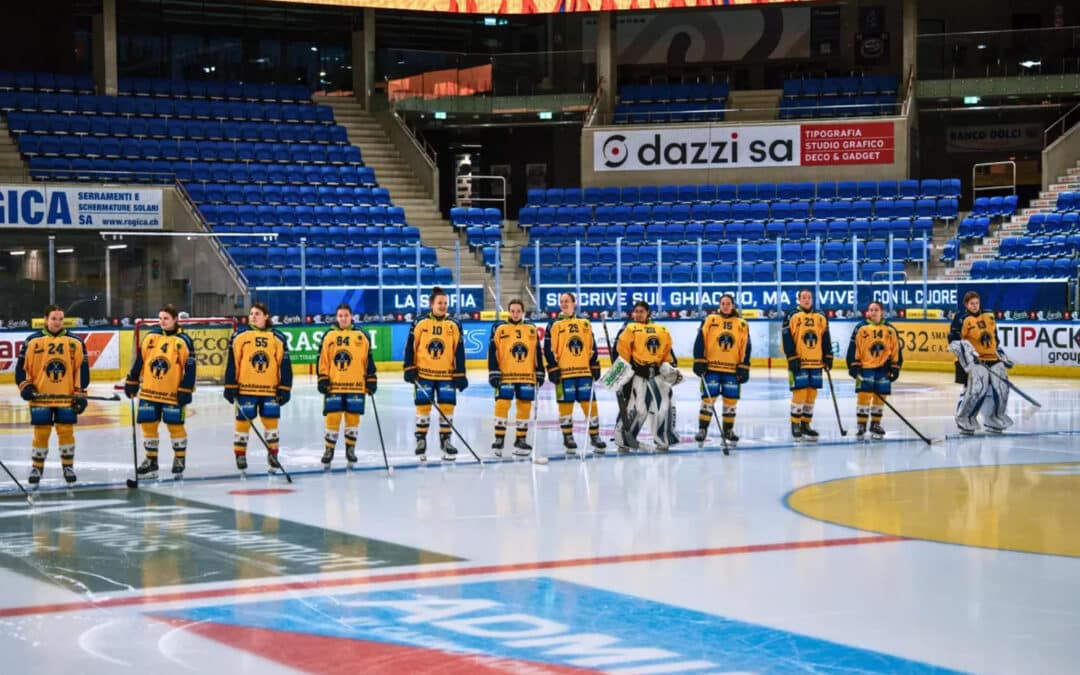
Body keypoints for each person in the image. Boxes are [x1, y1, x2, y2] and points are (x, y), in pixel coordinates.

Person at [15, 305, 89, 485]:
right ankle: (37, 467)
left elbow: (82, 370)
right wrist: (25, 386)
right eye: (54, 318)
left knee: (66, 431)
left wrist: (80, 393)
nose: (57, 322)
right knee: (41, 432)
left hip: (66, 397)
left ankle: (68, 467)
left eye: (60, 319)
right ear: (46, 319)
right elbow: (21, 369)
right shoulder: (32, 341)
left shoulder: (75, 342)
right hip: (40, 397)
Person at [124, 304, 196, 478]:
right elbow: (139, 361)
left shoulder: (183, 340)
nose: (162, 321)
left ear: (175, 319)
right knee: (148, 425)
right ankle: (151, 460)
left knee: (175, 426)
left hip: (173, 393)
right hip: (149, 391)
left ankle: (179, 459)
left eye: (166, 318)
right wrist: (132, 380)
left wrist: (186, 388)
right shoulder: (150, 337)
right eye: (160, 318)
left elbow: (190, 368)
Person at [224, 302, 292, 473]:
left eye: (257, 314)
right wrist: (230, 385)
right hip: (246, 389)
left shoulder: (278, 337)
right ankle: (240, 454)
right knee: (243, 424)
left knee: (271, 423)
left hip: (270, 390)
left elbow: (284, 365)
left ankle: (273, 455)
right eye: (252, 313)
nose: (253, 316)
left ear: (266, 316)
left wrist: (285, 387)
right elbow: (233, 362)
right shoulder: (240, 336)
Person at [403, 287, 467, 461]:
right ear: (432, 304)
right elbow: (410, 347)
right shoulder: (420, 322)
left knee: (447, 408)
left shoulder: (454, 324)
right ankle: (421, 440)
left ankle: (445, 441)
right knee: (423, 408)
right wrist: (409, 367)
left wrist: (460, 373)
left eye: (445, 303)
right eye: (440, 303)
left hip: (447, 376)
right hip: (424, 374)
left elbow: (459, 350)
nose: (443, 305)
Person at [609, 301, 680, 452]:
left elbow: (667, 353)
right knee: (638, 409)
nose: (638, 314)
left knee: (664, 407)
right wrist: (621, 375)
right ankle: (624, 439)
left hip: (657, 375)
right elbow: (621, 354)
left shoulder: (661, 330)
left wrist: (670, 366)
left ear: (648, 313)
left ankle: (664, 439)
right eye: (636, 311)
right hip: (638, 375)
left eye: (642, 311)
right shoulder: (630, 329)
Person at [316, 304, 377, 469]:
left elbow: (368, 360)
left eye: (346, 315)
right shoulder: (329, 335)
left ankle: (351, 449)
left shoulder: (362, 335)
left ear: (352, 316)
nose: (343, 318)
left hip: (355, 385)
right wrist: (322, 378)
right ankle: (329, 450)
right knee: (332, 417)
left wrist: (371, 379)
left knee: (353, 418)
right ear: (337, 317)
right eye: (340, 316)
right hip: (334, 386)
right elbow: (322, 359)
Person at [544, 292, 605, 454]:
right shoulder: (553, 324)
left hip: (584, 371)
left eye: (567, 301)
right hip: (563, 373)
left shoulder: (584, 323)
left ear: (574, 303)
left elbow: (592, 346)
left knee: (590, 405)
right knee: (565, 405)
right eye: (561, 301)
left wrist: (594, 364)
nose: (564, 304)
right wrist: (552, 368)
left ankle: (595, 436)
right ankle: (568, 436)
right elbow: (548, 349)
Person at [947, 291, 1012, 434]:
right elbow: (953, 341)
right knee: (976, 389)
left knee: (1002, 388)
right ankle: (964, 418)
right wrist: (968, 354)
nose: (975, 306)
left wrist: (999, 352)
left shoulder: (989, 315)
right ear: (966, 305)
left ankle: (994, 417)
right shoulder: (961, 318)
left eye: (977, 303)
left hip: (992, 358)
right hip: (971, 360)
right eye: (972, 304)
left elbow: (995, 338)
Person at [488, 299, 544, 457]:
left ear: (523, 312)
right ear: (508, 312)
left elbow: (537, 353)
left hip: (526, 375)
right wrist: (493, 371)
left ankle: (521, 439)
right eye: (512, 311)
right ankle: (499, 439)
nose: (515, 314)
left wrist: (540, 371)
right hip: (505, 375)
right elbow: (492, 351)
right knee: (502, 404)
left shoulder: (531, 329)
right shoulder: (499, 328)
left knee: (524, 406)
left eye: (518, 311)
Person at [692, 294, 750, 447]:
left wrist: (744, 366)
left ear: (733, 305)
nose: (725, 306)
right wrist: (699, 360)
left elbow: (746, 347)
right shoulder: (710, 320)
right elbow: (700, 340)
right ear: (719, 305)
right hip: (711, 368)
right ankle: (702, 429)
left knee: (731, 401)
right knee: (708, 399)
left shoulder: (742, 324)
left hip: (732, 370)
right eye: (723, 303)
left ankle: (728, 430)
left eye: (728, 303)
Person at [781, 289, 833, 442]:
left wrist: (828, 355)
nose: (806, 299)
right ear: (799, 299)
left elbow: (825, 337)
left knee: (811, 394)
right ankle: (795, 424)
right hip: (798, 361)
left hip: (816, 361)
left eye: (809, 297)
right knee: (800, 393)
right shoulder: (792, 315)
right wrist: (791, 355)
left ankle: (806, 424)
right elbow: (786, 337)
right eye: (804, 297)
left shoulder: (821, 316)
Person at [845, 301, 902, 440]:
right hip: (865, 368)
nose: (873, 312)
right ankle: (861, 424)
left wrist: (895, 367)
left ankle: (875, 424)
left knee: (880, 396)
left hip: (883, 368)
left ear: (882, 312)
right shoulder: (861, 328)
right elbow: (853, 348)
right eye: (871, 310)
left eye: (876, 309)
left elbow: (896, 350)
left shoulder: (890, 329)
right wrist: (853, 365)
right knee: (863, 395)